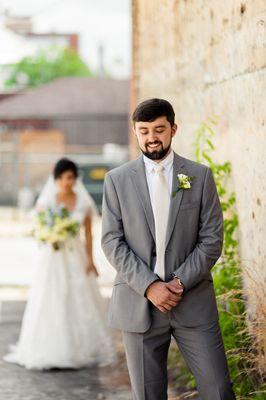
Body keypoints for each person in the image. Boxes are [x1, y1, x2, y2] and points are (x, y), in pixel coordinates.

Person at [101, 99, 236, 400]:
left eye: (159, 129)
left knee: (219, 390)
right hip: (139, 305)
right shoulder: (117, 180)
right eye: (144, 131)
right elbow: (112, 241)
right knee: (149, 395)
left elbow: (212, 239)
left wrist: (177, 283)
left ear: (173, 129)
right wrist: (150, 286)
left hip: (192, 301)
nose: (152, 138)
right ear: (135, 132)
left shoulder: (200, 176)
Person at [4, 158, 115, 370]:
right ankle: (49, 348)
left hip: (76, 255)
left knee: (79, 299)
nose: (67, 182)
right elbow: (39, 229)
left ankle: (79, 349)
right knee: (51, 298)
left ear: (75, 179)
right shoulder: (48, 202)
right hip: (53, 258)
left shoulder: (83, 202)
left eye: (71, 177)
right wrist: (49, 235)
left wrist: (91, 260)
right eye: (63, 177)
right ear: (56, 179)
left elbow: (89, 234)